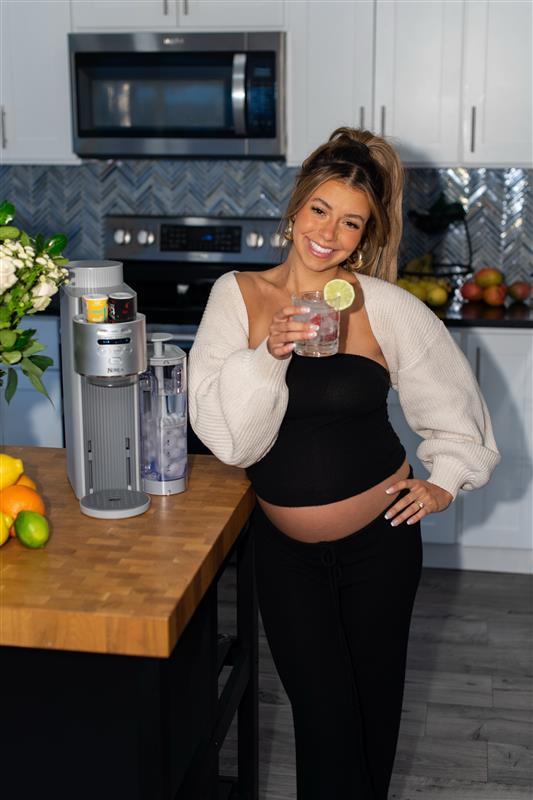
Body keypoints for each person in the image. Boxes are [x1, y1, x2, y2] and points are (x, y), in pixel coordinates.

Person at [188, 127, 500, 799]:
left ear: (364, 235)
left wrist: (445, 480)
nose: (329, 233)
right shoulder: (236, 296)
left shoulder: (382, 305)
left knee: (372, 714)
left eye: (351, 222)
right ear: (295, 208)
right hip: (284, 557)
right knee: (323, 717)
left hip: (382, 545)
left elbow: (454, 405)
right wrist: (269, 354)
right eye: (320, 210)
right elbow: (231, 443)